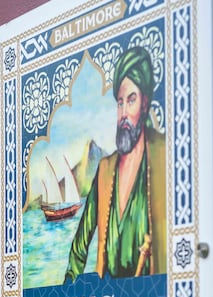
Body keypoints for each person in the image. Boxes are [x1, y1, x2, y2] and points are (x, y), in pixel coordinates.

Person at [64, 46, 166, 281]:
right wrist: (65, 293)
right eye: (120, 103)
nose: (123, 113)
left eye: (131, 100)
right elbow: (80, 246)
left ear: (145, 103)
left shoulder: (163, 156)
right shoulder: (106, 170)